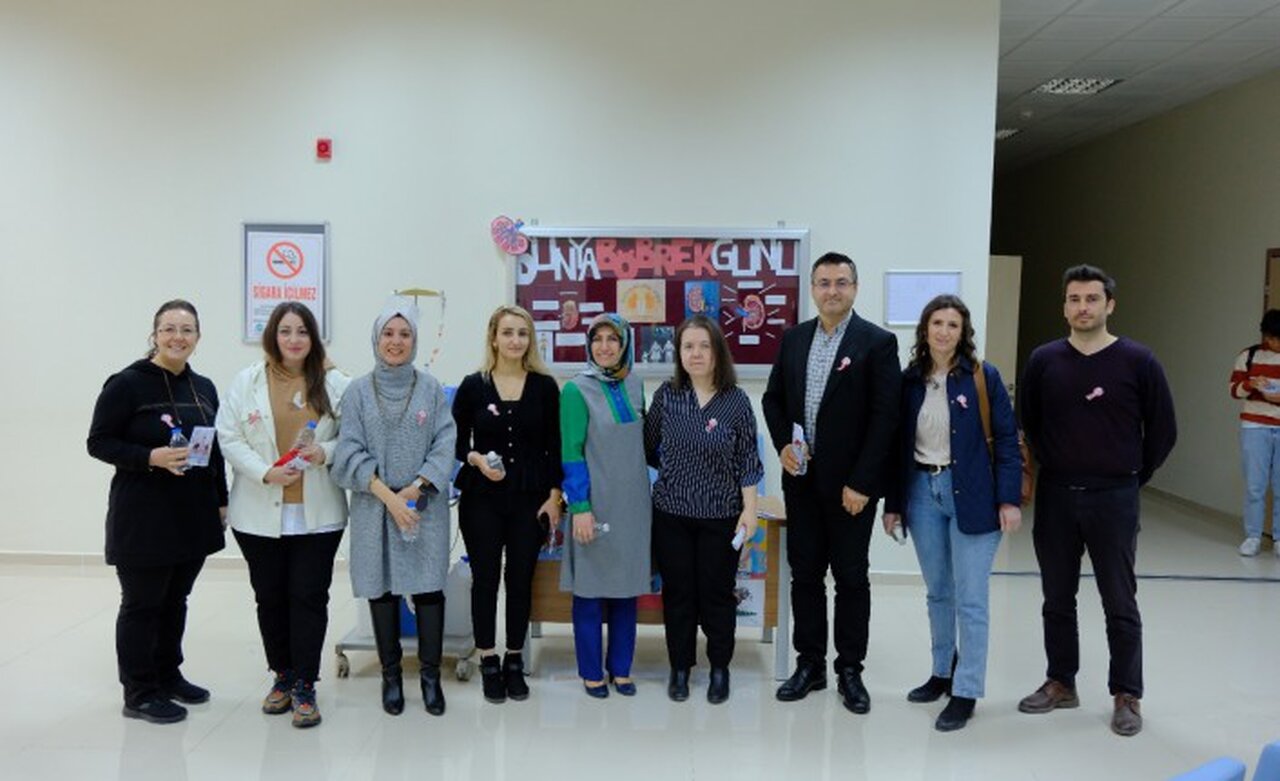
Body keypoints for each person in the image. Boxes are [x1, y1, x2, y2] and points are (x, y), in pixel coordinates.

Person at [1017, 264, 1176, 737]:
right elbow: (1029, 421)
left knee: (1119, 600)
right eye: (1074, 299)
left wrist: (1131, 476)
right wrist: (1057, 463)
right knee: (1056, 597)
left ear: (1110, 304)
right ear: (1064, 306)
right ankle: (1061, 682)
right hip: (1058, 495)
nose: (1082, 307)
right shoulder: (1044, 360)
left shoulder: (1139, 361)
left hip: (1115, 497)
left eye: (1091, 299)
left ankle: (1127, 694)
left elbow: (1163, 430)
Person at [762, 251, 901, 714]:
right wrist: (783, 445)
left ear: (855, 288)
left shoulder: (876, 343)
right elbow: (773, 399)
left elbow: (886, 418)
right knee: (805, 575)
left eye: (841, 282)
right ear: (813, 289)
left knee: (850, 577)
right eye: (823, 283)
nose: (832, 291)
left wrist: (863, 482)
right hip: (802, 481)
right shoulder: (794, 339)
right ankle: (810, 665)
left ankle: (850, 670)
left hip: (851, 490)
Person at [880, 295, 1022, 732]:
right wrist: (893, 504)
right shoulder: (909, 381)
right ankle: (942, 672)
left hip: (973, 496)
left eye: (953, 325)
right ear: (925, 329)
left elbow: (1007, 440)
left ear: (964, 333)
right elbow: (896, 448)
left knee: (971, 598)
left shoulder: (982, 377)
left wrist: (1009, 500)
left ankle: (966, 689)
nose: (944, 331)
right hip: (922, 493)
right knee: (939, 592)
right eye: (937, 323)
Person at [87, 299, 228, 725]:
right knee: (142, 604)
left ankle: (168, 675)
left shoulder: (203, 387)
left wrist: (221, 499)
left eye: (186, 330)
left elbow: (214, 450)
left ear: (198, 338)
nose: (177, 337)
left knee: (175, 600)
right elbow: (99, 442)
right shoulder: (127, 384)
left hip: (192, 515)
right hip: (143, 517)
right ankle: (140, 692)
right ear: (155, 334)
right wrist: (150, 457)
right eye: (169, 329)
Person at [215, 302, 350, 728]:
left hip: (318, 513)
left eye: (302, 331)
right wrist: (264, 472)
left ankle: (305, 683)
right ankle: (283, 676)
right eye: (285, 331)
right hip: (257, 512)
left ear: (314, 338)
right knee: (270, 597)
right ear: (273, 335)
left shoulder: (336, 383)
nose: (294, 339)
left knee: (309, 597)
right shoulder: (247, 381)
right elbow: (228, 436)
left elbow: (355, 438)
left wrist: (324, 451)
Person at [332, 297, 457, 717]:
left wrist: (417, 487)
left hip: (423, 505)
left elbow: (445, 443)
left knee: (429, 588)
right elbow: (347, 451)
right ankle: (391, 676)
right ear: (376, 338)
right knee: (381, 588)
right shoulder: (357, 392)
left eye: (404, 334)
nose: (396, 341)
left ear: (414, 340)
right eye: (388, 333)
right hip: (374, 506)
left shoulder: (431, 389)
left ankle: (430, 677)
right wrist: (389, 496)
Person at [645, 314, 762, 704]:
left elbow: (748, 461)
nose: (695, 354)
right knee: (678, 594)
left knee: (717, 595)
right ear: (678, 353)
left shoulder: (736, 401)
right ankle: (680, 667)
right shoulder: (667, 396)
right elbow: (648, 447)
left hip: (721, 517)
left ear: (717, 352)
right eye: (687, 346)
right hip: (671, 514)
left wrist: (750, 511)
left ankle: (719, 668)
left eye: (703, 346)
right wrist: (679, 473)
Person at [452, 305, 563, 704]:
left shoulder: (545, 387)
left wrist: (554, 497)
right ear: (494, 338)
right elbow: (456, 443)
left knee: (520, 579)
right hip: (482, 498)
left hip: (530, 499)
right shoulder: (473, 386)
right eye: (508, 332)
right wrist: (476, 459)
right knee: (485, 579)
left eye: (522, 333)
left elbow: (556, 447)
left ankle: (514, 658)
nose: (516, 340)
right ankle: (488, 658)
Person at [559, 313, 652, 698]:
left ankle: (621, 669)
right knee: (590, 590)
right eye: (597, 339)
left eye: (613, 339)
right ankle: (591, 672)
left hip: (633, 505)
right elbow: (571, 452)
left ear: (625, 343)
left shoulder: (635, 383)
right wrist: (580, 506)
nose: (604, 347)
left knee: (627, 589)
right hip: (594, 504)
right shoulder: (575, 390)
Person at [1229, 308, 1280, 557]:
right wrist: (1251, 384)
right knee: (1254, 485)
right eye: (1272, 338)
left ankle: (1279, 537)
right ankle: (1253, 536)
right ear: (1265, 336)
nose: (1275, 344)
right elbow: (1234, 390)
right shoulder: (1248, 356)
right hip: (1254, 425)